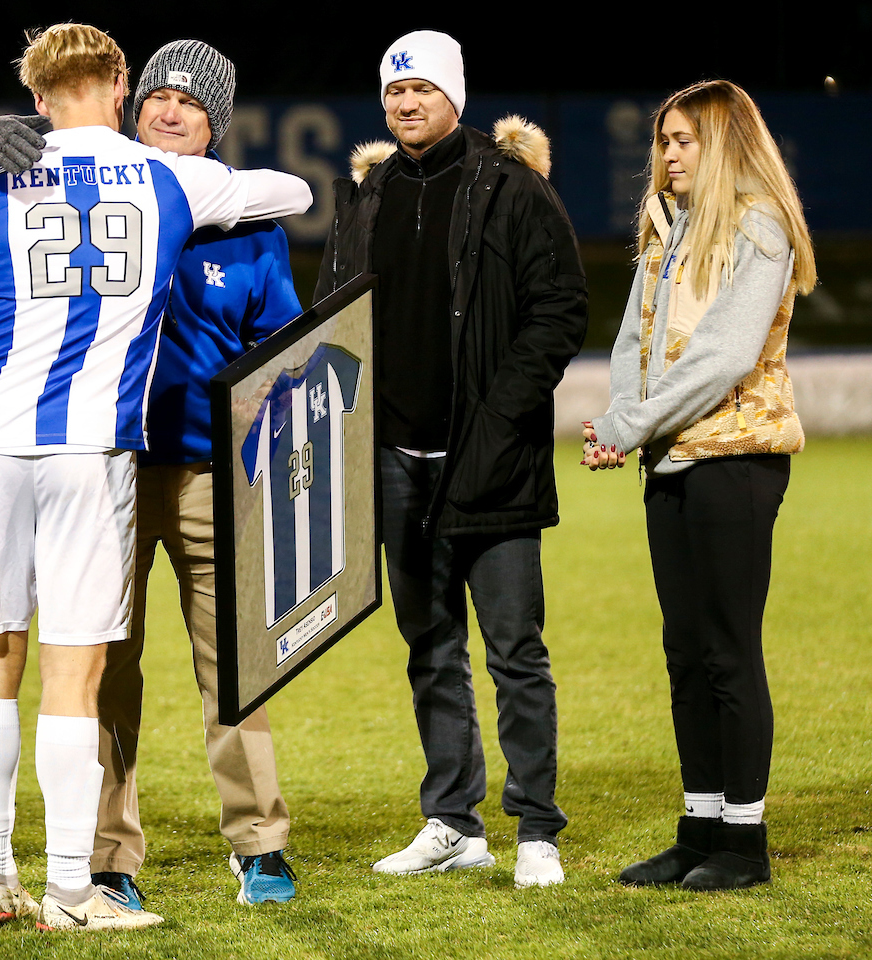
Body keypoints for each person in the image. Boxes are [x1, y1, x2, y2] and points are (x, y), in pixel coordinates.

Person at [0, 23, 311, 932]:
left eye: (190, 101)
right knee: (84, 669)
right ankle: (80, 882)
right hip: (97, 454)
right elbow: (296, 186)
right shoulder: (168, 181)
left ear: (32, 99)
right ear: (118, 84)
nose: (168, 109)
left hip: (0, 448)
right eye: (153, 93)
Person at [314, 31, 587, 887]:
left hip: (491, 459)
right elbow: (335, 314)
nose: (404, 104)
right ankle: (452, 821)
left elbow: (561, 309)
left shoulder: (511, 186)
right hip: (398, 459)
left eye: (422, 90)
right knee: (428, 644)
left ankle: (536, 827)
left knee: (514, 649)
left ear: (455, 98)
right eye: (394, 93)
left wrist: (501, 418)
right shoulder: (368, 195)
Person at [583, 79, 815, 891]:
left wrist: (631, 425)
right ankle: (699, 827)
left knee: (726, 652)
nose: (668, 155)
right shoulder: (666, 230)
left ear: (725, 145)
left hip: (736, 460)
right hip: (673, 459)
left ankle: (744, 845)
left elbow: (724, 354)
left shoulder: (759, 224)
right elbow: (630, 342)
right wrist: (621, 417)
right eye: (664, 141)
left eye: (684, 141)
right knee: (685, 654)